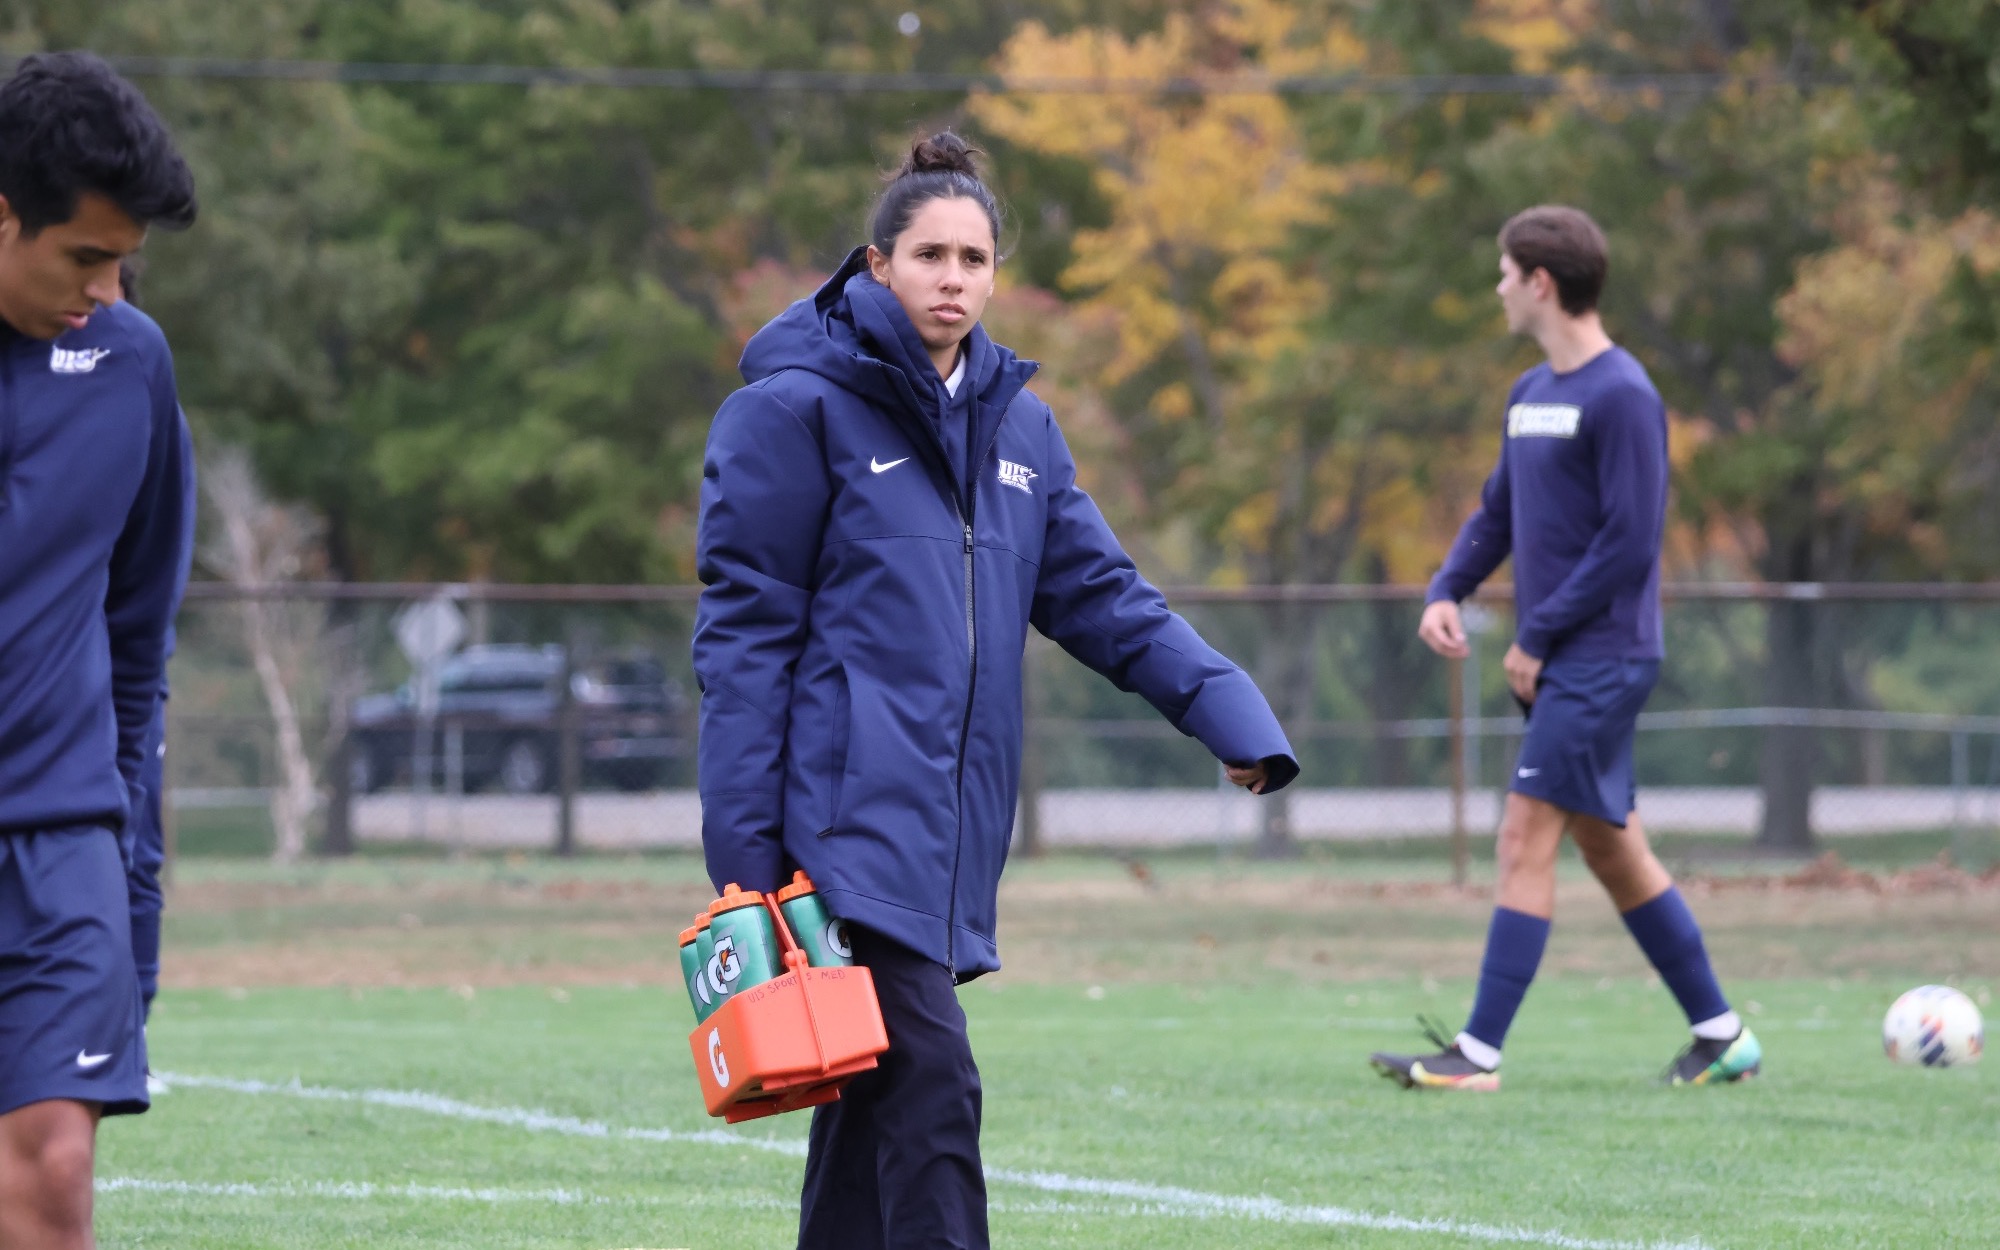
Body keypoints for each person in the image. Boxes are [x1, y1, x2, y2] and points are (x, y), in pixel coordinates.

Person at [695, 132, 1299, 1249]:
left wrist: (1228, 711)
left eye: (973, 258)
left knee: (868, 1100)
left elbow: (1105, 598)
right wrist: (743, 860)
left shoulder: (1018, 426)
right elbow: (743, 645)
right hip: (838, 825)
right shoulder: (791, 411)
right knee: (934, 1085)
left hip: (951, 830)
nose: (953, 279)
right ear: (877, 264)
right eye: (929, 255)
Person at [1369, 206, 1758, 1093]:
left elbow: (1630, 542)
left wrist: (1536, 638)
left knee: (1522, 834)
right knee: (1612, 849)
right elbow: (1499, 509)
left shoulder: (1624, 395)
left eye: (1507, 272)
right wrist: (1447, 587)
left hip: (1604, 658)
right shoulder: (1531, 394)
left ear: (1540, 282)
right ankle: (1723, 1036)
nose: (1499, 287)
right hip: (1561, 660)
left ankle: (1476, 1055)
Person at [0, 52, 198, 1248]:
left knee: (57, 1162)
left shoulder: (131, 365)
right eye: (84, 256)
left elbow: (137, 647)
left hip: (60, 833)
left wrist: (133, 884)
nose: (106, 290)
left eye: (124, 262)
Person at [115, 257, 198, 1092]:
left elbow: (155, 570)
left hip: (124, 678)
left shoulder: (144, 389)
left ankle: (128, 1032)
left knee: (135, 854)